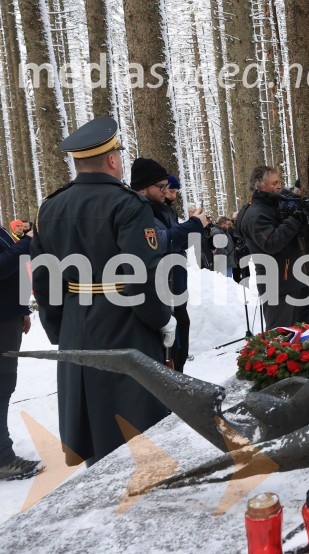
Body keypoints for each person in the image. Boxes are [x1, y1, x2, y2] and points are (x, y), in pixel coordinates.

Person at [30, 117, 174, 466]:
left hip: (75, 325)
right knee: (136, 432)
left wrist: (60, 329)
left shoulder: (50, 208)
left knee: (95, 432)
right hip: (125, 322)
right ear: (112, 159)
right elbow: (142, 275)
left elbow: (44, 280)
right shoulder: (128, 204)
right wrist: (160, 320)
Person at [135, 162, 207, 374]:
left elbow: (178, 242)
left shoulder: (165, 210)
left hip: (176, 287)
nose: (167, 192)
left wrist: (195, 227)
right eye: (162, 187)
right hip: (159, 292)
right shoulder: (140, 211)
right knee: (165, 353)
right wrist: (194, 224)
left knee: (180, 346)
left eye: (168, 187)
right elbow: (160, 242)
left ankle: (179, 374)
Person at [237, 165, 309, 329]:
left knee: (303, 335)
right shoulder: (255, 214)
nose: (279, 186)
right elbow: (271, 243)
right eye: (274, 183)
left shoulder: (276, 205)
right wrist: (294, 219)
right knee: (281, 336)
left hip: (295, 280)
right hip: (276, 288)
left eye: (279, 182)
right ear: (260, 186)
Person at [0, 224, 41, 480]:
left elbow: (16, 268)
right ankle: (3, 459)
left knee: (5, 386)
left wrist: (23, 308)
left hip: (9, 318)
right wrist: (27, 241)